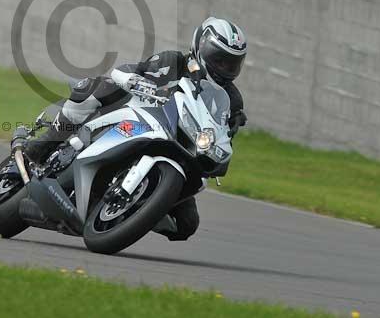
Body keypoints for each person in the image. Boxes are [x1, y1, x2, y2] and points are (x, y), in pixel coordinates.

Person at [19, 17, 248, 241]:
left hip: (182, 148)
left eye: (231, 63)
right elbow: (128, 71)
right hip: (137, 119)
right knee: (96, 89)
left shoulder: (232, 99)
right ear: (201, 47)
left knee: (186, 225)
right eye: (219, 59)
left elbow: (222, 136)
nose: (224, 68)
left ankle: (135, 211)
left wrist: (229, 133)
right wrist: (135, 81)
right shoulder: (174, 61)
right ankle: (44, 143)